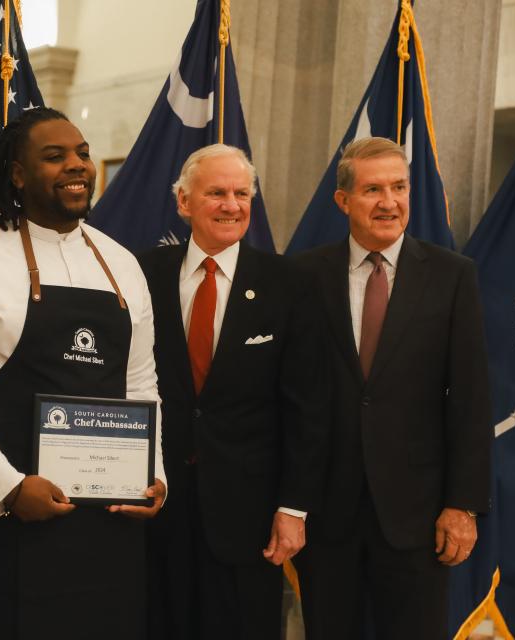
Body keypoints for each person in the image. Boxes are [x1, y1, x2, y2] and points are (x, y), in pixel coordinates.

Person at [0, 107, 166, 640]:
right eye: (54, 157)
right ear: (18, 173)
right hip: (3, 521)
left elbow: (141, 384)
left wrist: (152, 473)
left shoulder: (121, 262)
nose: (76, 166)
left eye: (82, 154)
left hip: (105, 523)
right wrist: (8, 489)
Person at [293, 136, 491, 639]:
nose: (389, 202)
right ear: (343, 201)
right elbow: (290, 397)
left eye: (399, 187)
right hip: (327, 514)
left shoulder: (452, 276)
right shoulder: (302, 275)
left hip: (418, 518)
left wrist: (462, 505)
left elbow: (470, 399)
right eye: (373, 189)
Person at [139, 144, 330, 639]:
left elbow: (308, 408)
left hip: (250, 518)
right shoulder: (142, 274)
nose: (231, 205)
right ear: (183, 202)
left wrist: (294, 508)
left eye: (242, 194)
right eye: (217, 193)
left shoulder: (288, 283)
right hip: (157, 508)